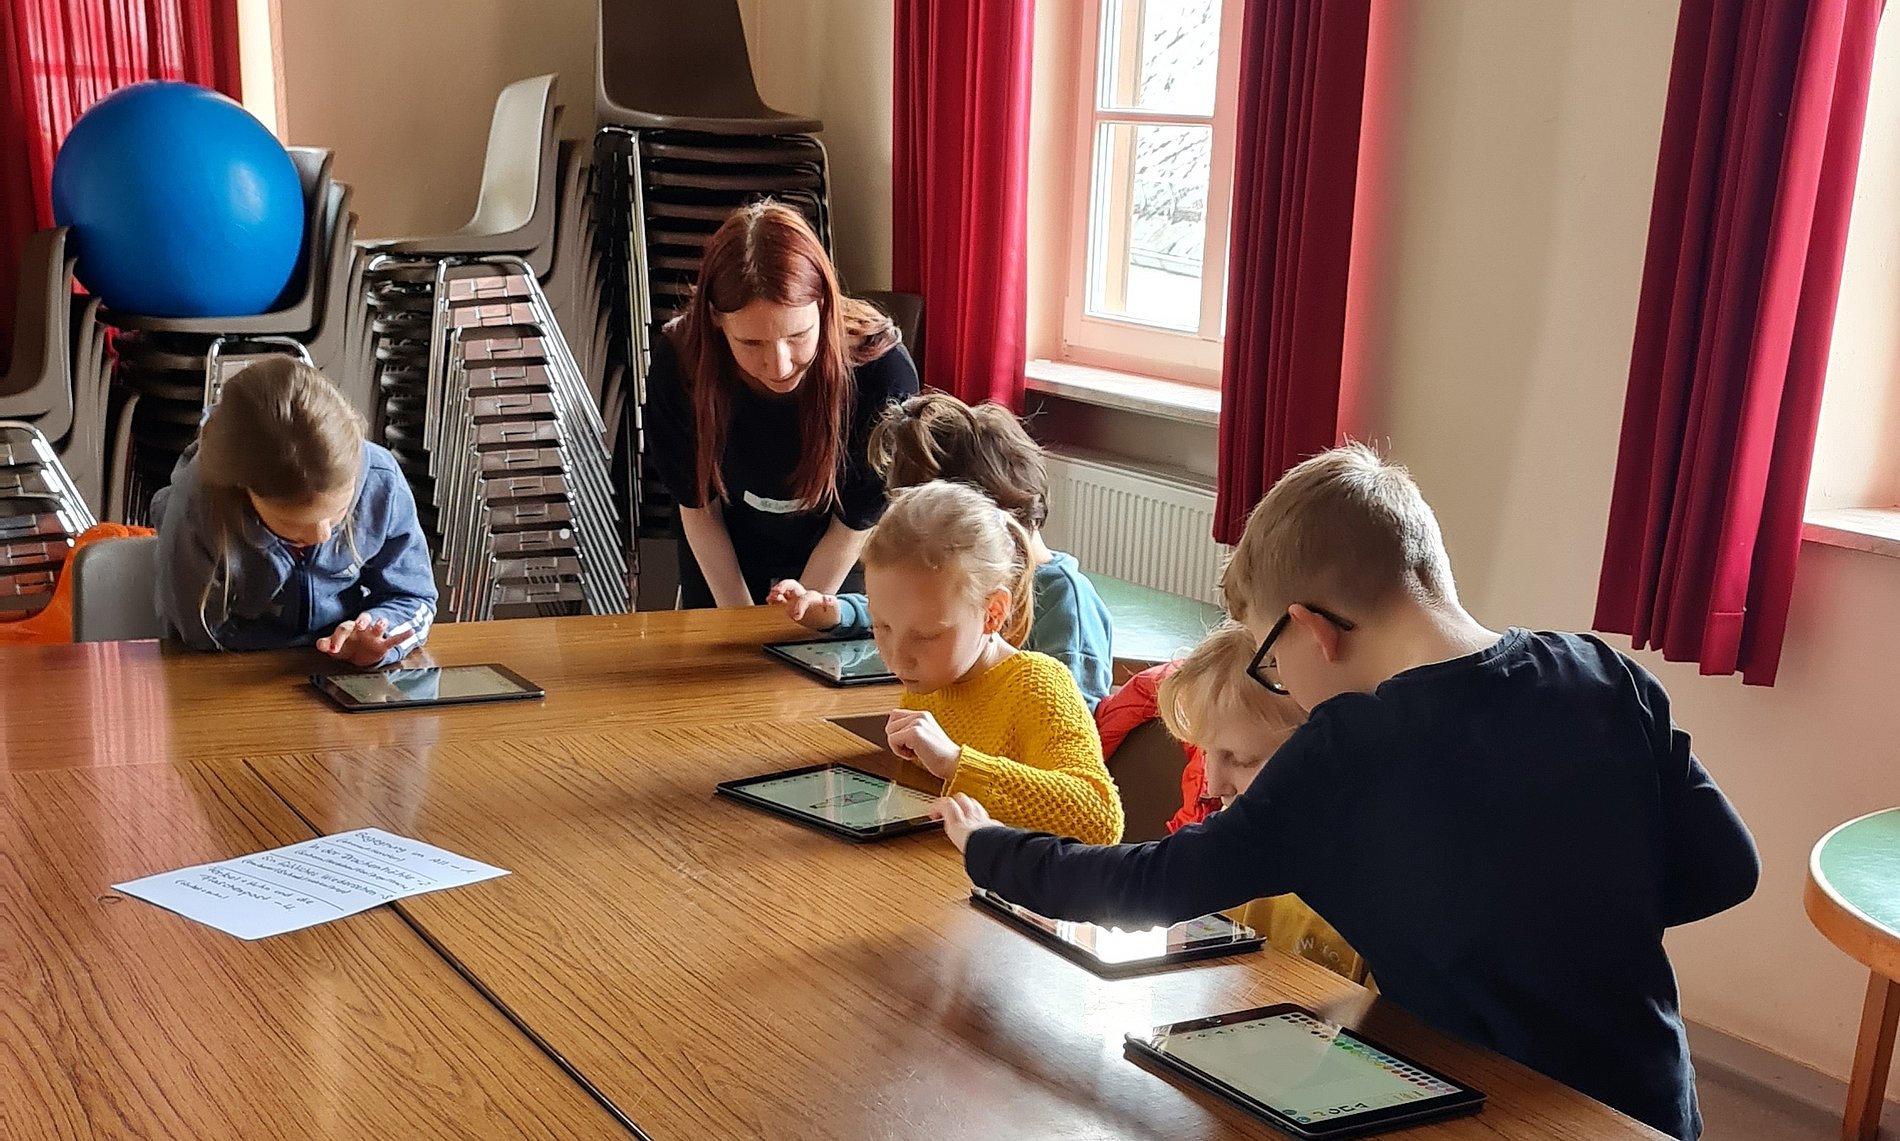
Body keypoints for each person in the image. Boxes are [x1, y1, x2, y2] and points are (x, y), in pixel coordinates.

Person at [931, 443, 1759, 1140]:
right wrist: (1575, 919)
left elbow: (1144, 888)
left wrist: (989, 847)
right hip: (1650, 1103)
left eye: (1267, 656)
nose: (1278, 680)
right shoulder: (1602, 672)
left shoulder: (1343, 752)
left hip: (1482, 1108)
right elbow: (1729, 868)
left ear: (1313, 630)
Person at [645, 200, 919, 608]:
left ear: (824, 306)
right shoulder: (681, 363)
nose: (779, 364)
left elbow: (852, 524)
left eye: (797, 335)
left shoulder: (882, 372)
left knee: (817, 659)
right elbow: (699, 510)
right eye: (751, 343)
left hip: (838, 546)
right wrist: (740, 622)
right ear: (717, 322)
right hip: (725, 545)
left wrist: (794, 620)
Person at [767, 392, 1114, 709]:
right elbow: (912, 608)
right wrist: (836, 611)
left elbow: (1076, 727)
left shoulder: (1065, 600)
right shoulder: (946, 588)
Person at [869, 480, 1122, 846]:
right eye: (882, 626)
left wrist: (957, 763)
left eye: (925, 635)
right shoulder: (932, 679)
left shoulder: (1038, 685)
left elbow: (1099, 817)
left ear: (993, 612)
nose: (897, 655)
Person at [153, 357, 436, 668]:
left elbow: (414, 598)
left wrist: (376, 636)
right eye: (292, 523)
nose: (322, 535)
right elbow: (196, 635)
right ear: (244, 491)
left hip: (340, 670)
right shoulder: (198, 505)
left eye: (339, 511)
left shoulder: (381, 480)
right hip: (233, 672)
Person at [1153, 621, 1365, 982]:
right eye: (1206, 754)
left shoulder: (1370, 894)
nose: (1213, 785)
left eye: (1242, 759)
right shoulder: (1228, 854)